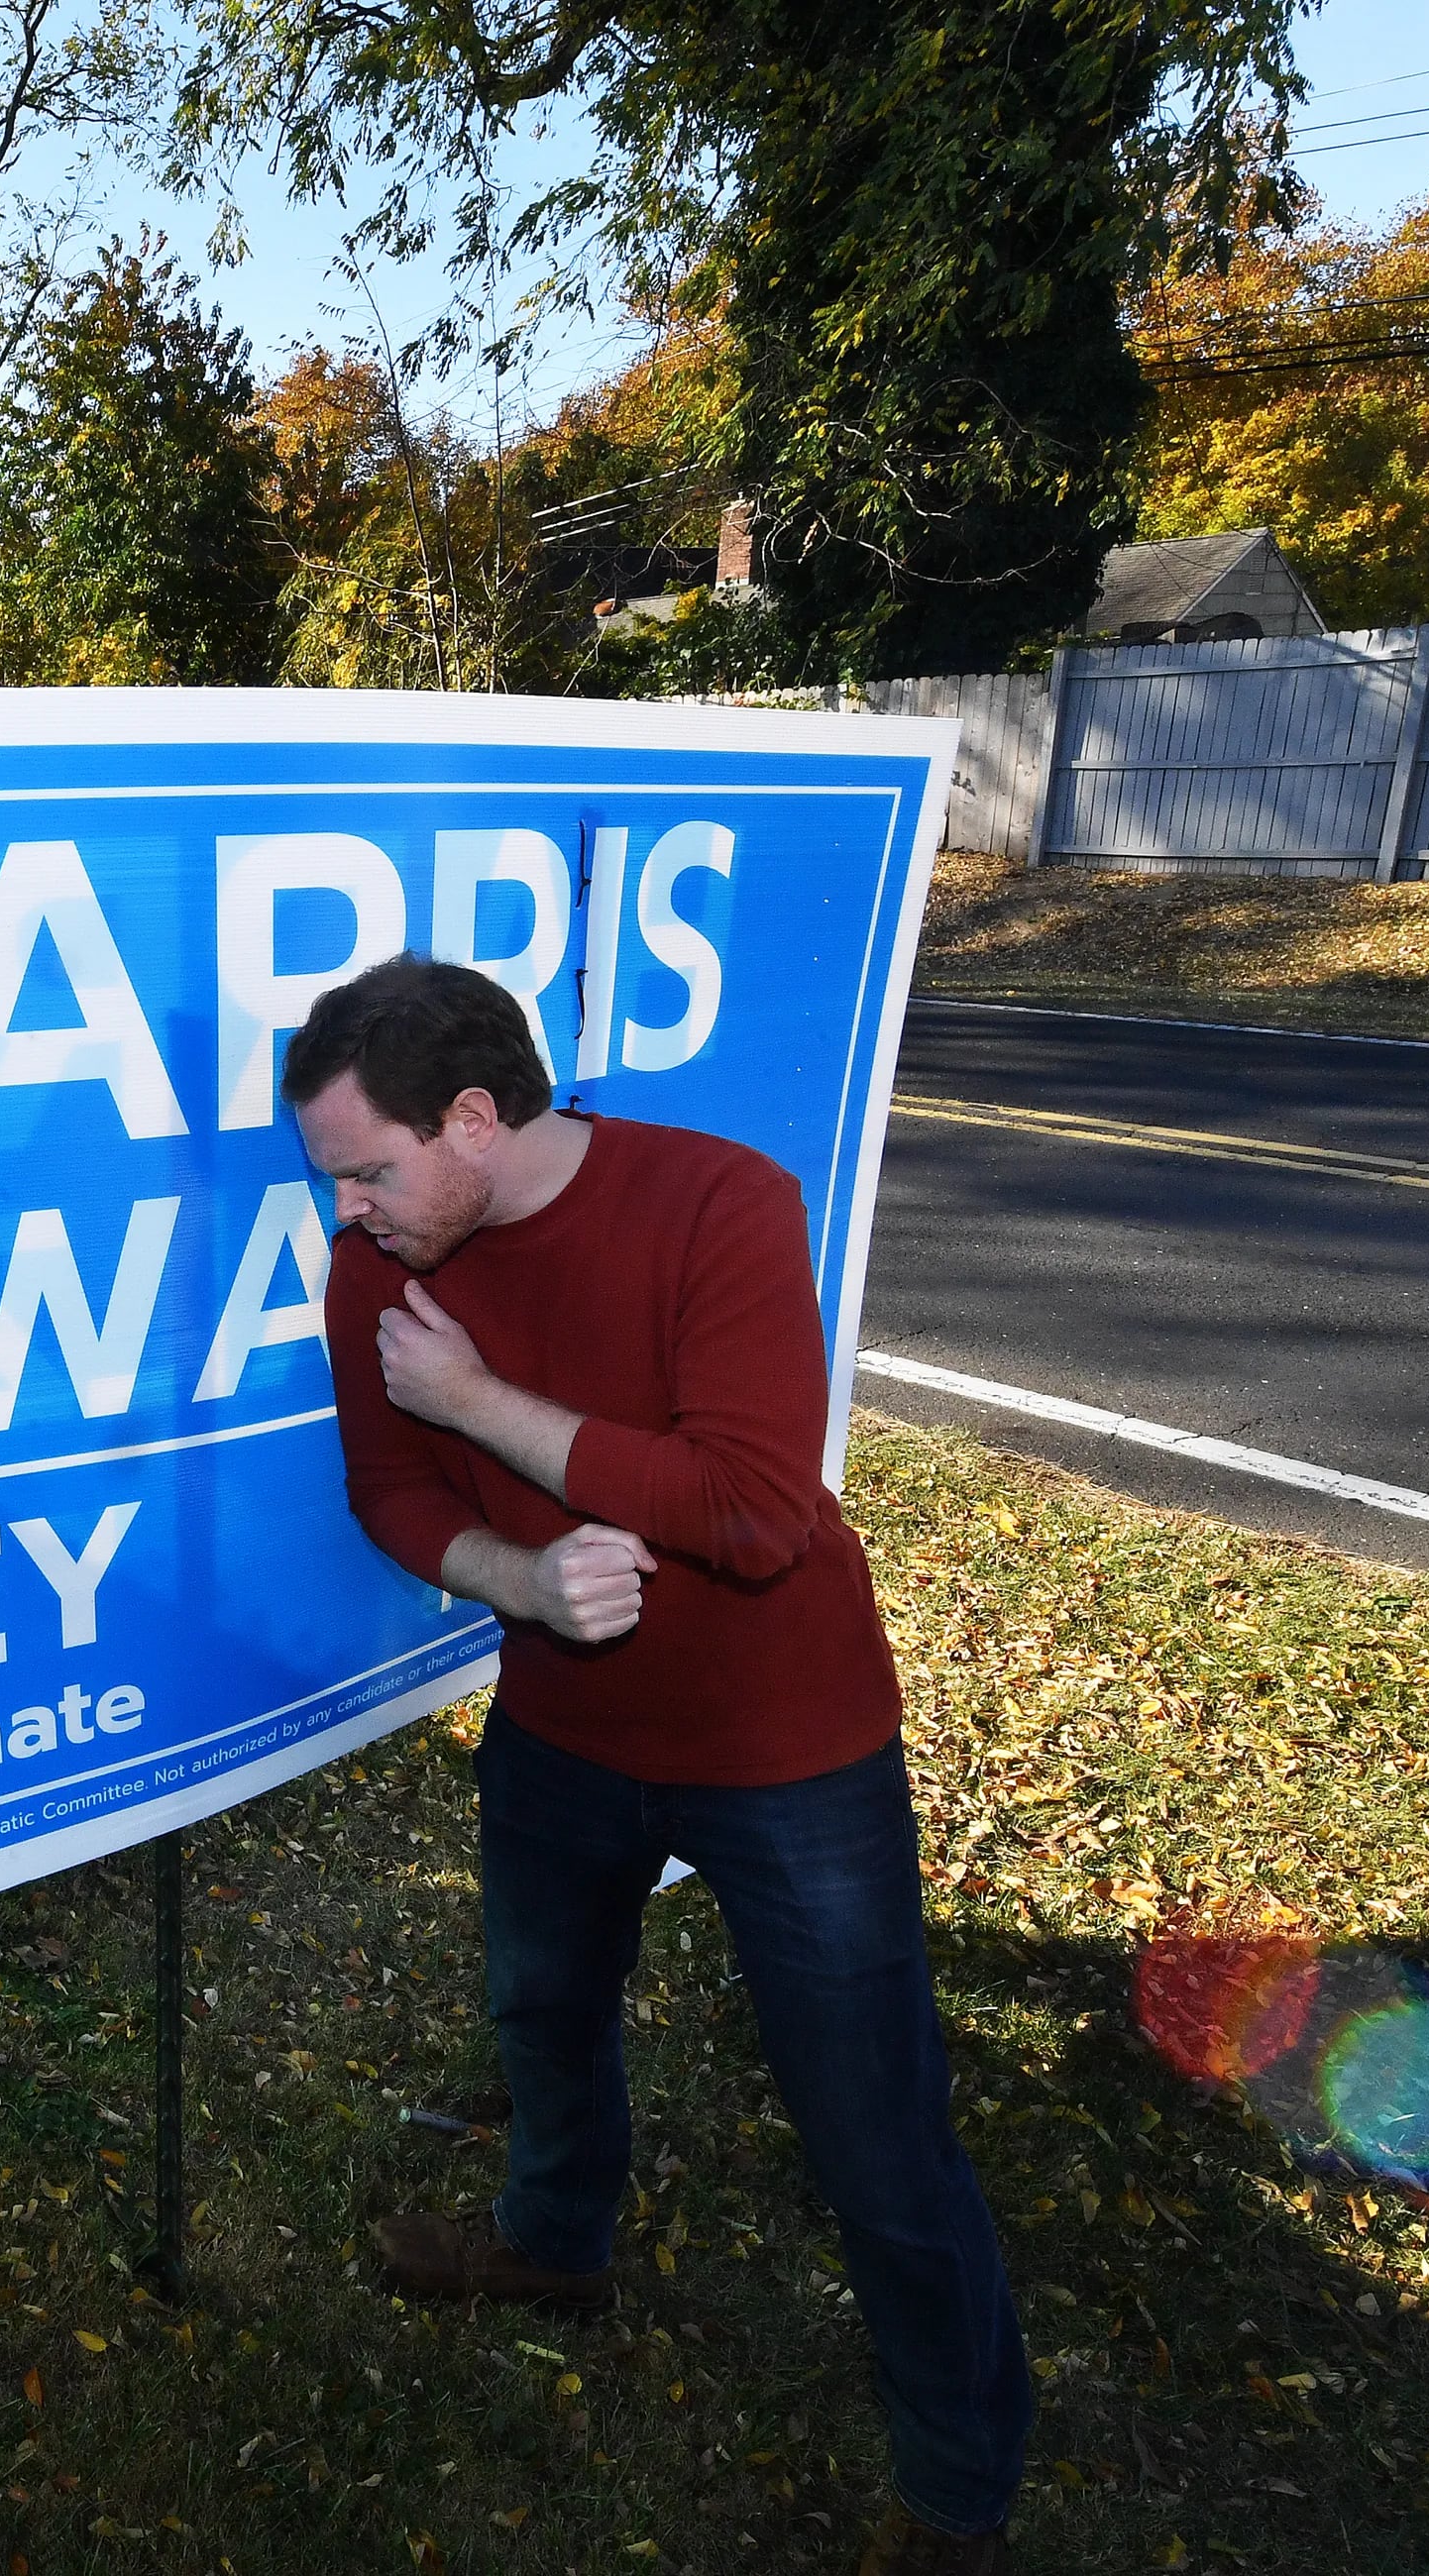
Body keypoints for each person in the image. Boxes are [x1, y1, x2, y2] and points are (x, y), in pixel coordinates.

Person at [284, 953, 1027, 2576]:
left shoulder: (718, 1202)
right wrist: (521, 1581)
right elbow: (392, 1494)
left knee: (874, 2126)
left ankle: (960, 2485)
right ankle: (554, 2244)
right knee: (543, 2014)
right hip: (560, 1731)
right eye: (332, 1179)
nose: (348, 1212)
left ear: (474, 1116)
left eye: (366, 1168)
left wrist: (483, 1398)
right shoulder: (383, 1271)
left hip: (786, 1747)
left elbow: (757, 1515)